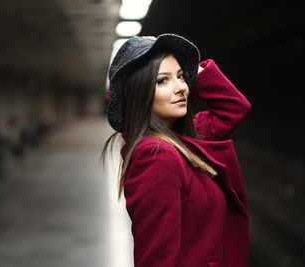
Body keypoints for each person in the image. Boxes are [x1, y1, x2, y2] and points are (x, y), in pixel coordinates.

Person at [102, 33, 252, 267]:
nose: (181, 87)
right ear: (139, 93)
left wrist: (193, 68)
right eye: (163, 81)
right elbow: (158, 259)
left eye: (182, 76)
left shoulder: (183, 140)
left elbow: (234, 108)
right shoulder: (155, 155)